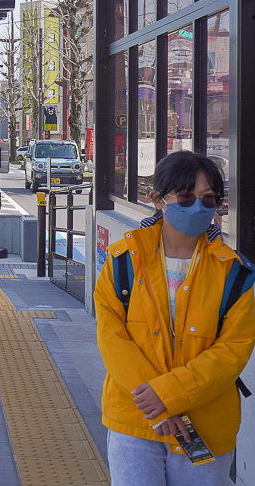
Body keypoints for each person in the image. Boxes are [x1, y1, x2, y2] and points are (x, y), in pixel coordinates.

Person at [95, 150, 255, 485]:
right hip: (137, 420)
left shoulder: (236, 274)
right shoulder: (123, 261)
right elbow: (112, 338)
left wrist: (167, 396)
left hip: (205, 424)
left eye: (208, 198)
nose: (198, 206)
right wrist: (157, 403)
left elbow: (232, 352)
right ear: (157, 200)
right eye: (185, 197)